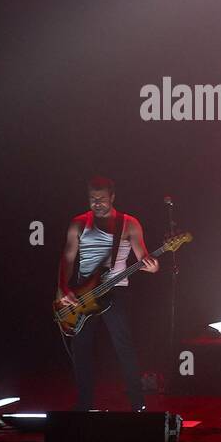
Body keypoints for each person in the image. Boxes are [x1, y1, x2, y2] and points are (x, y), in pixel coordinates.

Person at [56, 176, 159, 410]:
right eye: (92, 199)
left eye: (102, 199)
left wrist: (152, 266)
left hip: (117, 291)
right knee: (80, 349)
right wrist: (63, 287)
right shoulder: (79, 223)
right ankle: (84, 405)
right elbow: (68, 257)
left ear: (113, 197)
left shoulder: (129, 223)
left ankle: (137, 404)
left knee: (124, 347)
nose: (97, 203)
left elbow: (142, 256)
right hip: (84, 294)